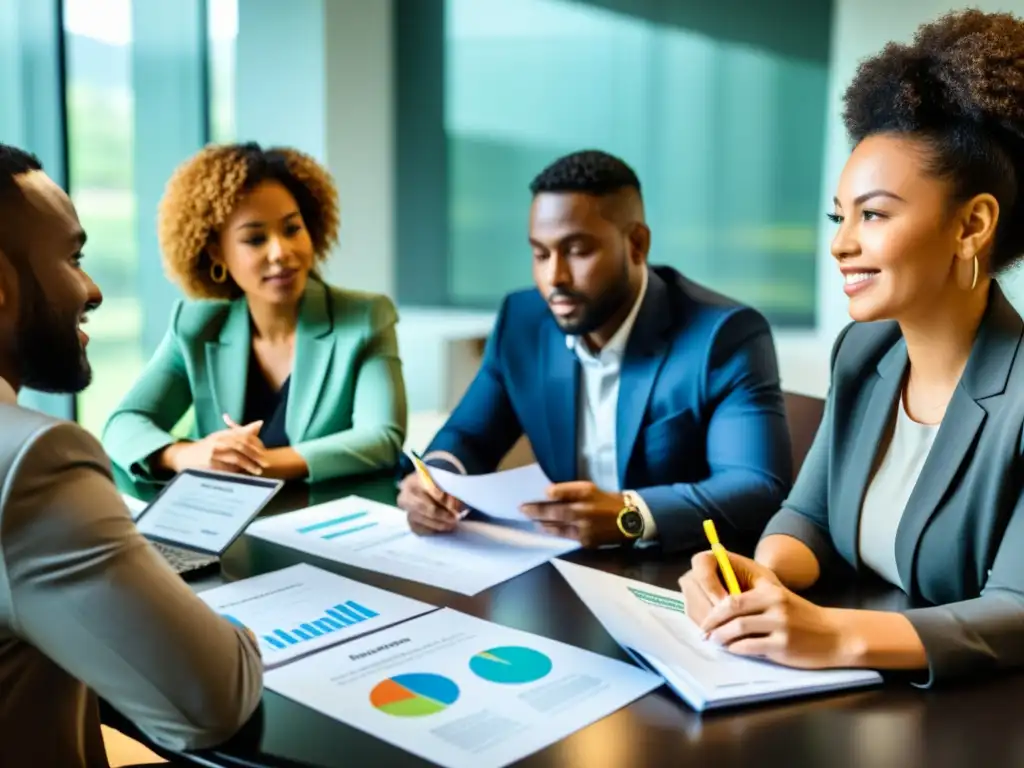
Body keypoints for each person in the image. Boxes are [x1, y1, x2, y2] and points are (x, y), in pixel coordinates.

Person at [679, 9, 1024, 686]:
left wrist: (828, 633)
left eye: (873, 214)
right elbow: (807, 514)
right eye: (840, 216)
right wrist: (758, 577)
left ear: (973, 225)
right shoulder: (864, 353)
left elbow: (1016, 611)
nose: (841, 244)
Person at [0, 143, 262, 766]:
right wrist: (235, 634)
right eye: (73, 257)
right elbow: (212, 700)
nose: (90, 290)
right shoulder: (33, 462)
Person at [398, 150, 792, 552]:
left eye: (577, 251)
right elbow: (469, 435)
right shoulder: (523, 320)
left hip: (677, 572)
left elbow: (756, 487)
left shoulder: (723, 335)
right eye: (540, 253)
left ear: (637, 244)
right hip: (557, 563)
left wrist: (631, 514)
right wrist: (436, 481)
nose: (554, 278)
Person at [103, 142, 407, 483]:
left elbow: (382, 438)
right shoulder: (196, 325)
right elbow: (123, 423)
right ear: (216, 251)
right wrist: (187, 455)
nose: (281, 252)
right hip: (220, 525)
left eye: (292, 229)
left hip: (319, 522)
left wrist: (250, 465)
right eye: (255, 239)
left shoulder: (365, 318)